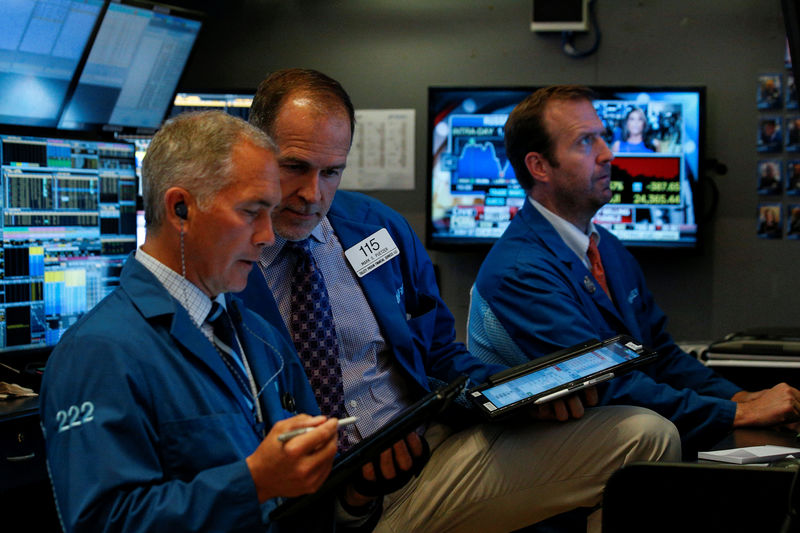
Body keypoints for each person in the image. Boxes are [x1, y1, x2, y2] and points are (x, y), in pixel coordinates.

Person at [237, 69, 681, 533]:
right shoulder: (225, 259)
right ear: (252, 148)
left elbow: (441, 354)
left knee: (644, 435)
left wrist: (512, 395)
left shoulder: (376, 228)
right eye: (294, 167)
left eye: (331, 172)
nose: (313, 195)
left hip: (428, 456)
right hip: (325, 500)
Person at [40, 111, 343, 532]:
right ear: (180, 208)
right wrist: (251, 482)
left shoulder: (257, 334)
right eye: (251, 212)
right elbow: (102, 522)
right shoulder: (98, 353)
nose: (267, 236)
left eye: (269, 212)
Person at [468, 85, 800, 455]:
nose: (608, 153)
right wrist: (738, 413)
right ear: (539, 166)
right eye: (585, 142)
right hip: (542, 458)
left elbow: (661, 355)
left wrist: (743, 396)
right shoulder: (520, 271)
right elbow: (608, 387)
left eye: (603, 138)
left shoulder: (605, 247)